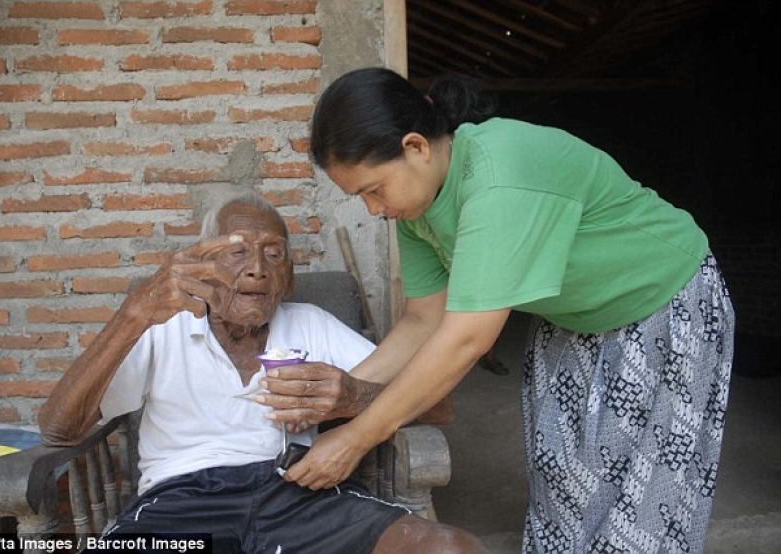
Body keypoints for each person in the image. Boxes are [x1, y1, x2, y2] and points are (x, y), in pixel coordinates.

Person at [258, 67, 735, 554]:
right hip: (574, 321)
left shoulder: (497, 177)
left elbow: (466, 338)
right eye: (359, 197)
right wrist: (336, 399)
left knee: (643, 499)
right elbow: (423, 321)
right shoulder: (417, 210)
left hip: (662, 301)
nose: (372, 209)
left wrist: (358, 436)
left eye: (373, 189)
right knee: (565, 484)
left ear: (416, 147)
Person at [37, 191, 487, 554]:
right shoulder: (160, 326)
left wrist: (355, 397)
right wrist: (132, 313)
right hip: (179, 504)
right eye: (237, 252)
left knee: (449, 548)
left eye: (274, 254)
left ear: (288, 277)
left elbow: (439, 407)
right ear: (202, 265)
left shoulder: (312, 323)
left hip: (300, 493)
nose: (257, 268)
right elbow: (59, 428)